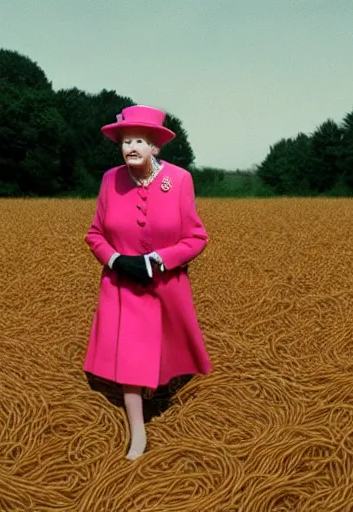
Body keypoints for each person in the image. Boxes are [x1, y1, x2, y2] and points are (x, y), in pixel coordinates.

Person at [83, 104, 211, 459]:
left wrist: (159, 260)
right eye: (126, 141)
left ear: (156, 146)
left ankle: (161, 395)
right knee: (129, 358)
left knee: (163, 356)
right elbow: (95, 234)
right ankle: (138, 432)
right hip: (122, 287)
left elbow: (197, 238)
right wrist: (117, 259)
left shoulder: (180, 180)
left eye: (140, 140)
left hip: (165, 286)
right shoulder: (110, 180)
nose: (131, 148)